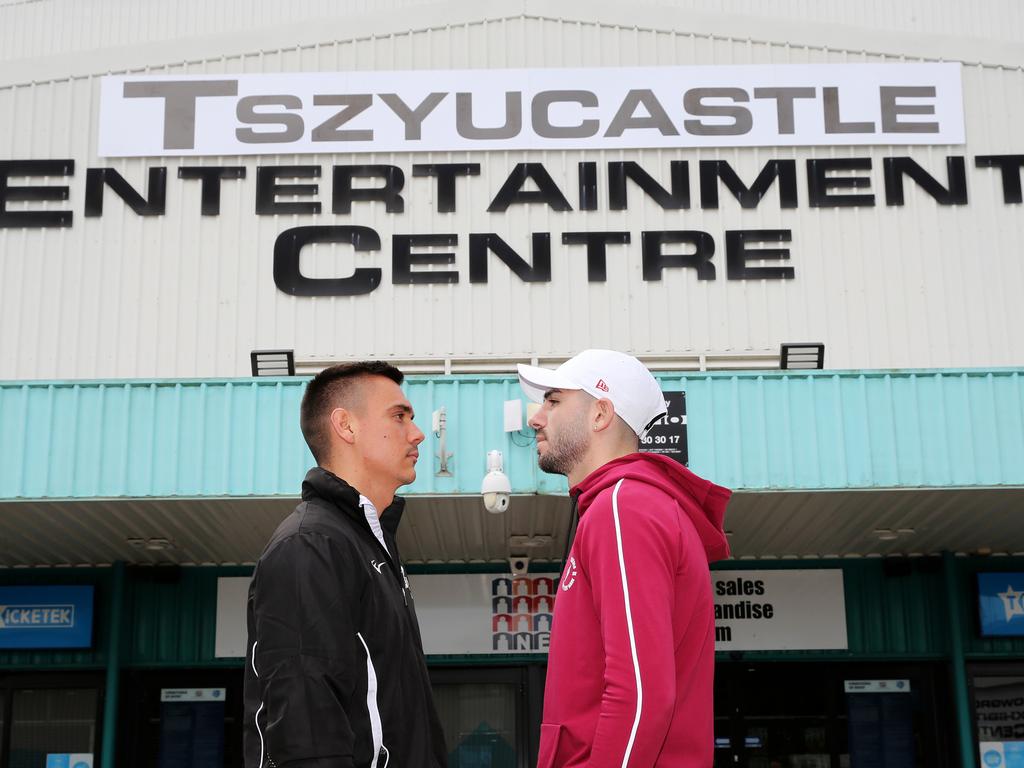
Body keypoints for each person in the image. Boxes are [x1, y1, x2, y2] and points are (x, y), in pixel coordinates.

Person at [518, 349, 731, 768]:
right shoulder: (624, 505)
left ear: (600, 414)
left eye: (554, 401)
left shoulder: (622, 507)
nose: (535, 417)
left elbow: (641, 694)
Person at [243, 361, 447, 768]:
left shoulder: (369, 545)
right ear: (346, 426)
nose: (418, 433)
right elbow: (305, 731)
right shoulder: (311, 546)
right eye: (399, 416)